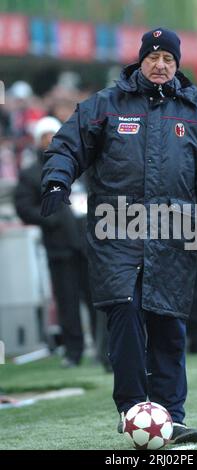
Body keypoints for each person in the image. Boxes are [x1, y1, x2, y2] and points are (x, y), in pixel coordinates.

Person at [40, 28, 197, 444]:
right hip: (116, 231)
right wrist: (57, 181)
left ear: (177, 65)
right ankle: (131, 408)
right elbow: (67, 146)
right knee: (124, 312)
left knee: (168, 323)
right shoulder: (105, 106)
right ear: (140, 61)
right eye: (153, 57)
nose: (160, 65)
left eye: (168, 58)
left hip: (175, 234)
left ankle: (169, 415)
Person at [14, 116, 97, 368]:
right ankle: (73, 352)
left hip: (89, 244)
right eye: (44, 137)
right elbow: (24, 207)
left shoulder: (80, 164)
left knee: (97, 300)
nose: (50, 141)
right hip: (59, 248)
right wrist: (52, 220)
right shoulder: (31, 174)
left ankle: (104, 350)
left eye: (53, 135)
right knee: (67, 302)